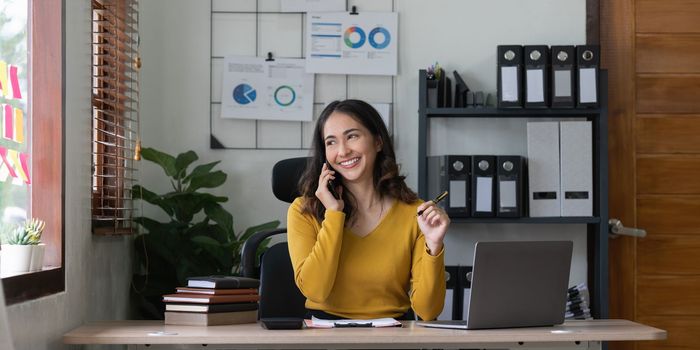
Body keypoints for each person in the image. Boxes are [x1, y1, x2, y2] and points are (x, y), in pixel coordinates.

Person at [287, 99, 450, 321]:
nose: (343, 151)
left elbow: (428, 311)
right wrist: (334, 214)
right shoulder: (304, 211)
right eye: (331, 142)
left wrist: (434, 245)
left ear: (378, 141)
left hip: (394, 335)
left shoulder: (415, 213)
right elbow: (315, 290)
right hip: (324, 333)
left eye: (352, 136)